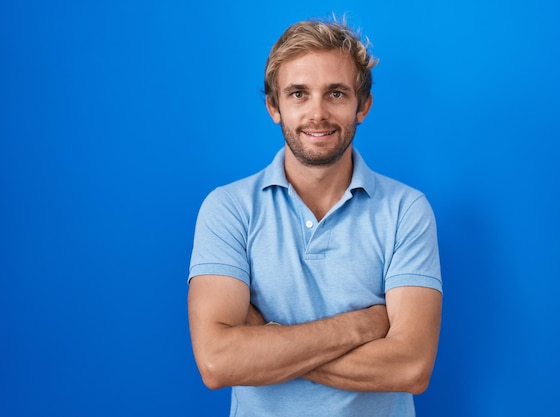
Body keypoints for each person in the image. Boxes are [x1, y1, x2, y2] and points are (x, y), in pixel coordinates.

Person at [187, 17, 442, 417]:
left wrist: (269, 343)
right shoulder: (228, 208)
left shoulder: (406, 210)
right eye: (298, 94)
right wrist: (361, 326)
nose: (317, 113)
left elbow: (411, 367)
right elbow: (219, 363)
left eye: (336, 93)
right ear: (274, 106)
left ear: (364, 106)